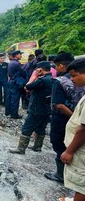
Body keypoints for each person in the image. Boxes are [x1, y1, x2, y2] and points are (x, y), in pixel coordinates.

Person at [44, 52, 83, 183]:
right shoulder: (80, 79)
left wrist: (74, 118)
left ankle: (61, 175)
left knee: (59, 144)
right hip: (78, 120)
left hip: (63, 120)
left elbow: (59, 105)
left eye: (56, 66)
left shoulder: (60, 81)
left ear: (61, 65)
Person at [9, 61, 53, 154]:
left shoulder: (42, 80)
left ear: (41, 69)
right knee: (40, 128)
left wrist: (34, 76)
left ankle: (21, 149)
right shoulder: (51, 79)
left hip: (36, 109)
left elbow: (27, 86)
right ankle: (37, 147)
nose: (35, 71)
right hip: (46, 109)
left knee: (26, 128)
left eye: (37, 70)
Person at [60, 58, 85, 201]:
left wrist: (69, 151)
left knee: (82, 185)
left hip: (80, 150)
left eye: (75, 75)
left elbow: (83, 129)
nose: (72, 79)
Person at [5, 50, 27, 119]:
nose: (21, 55)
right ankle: (14, 114)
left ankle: (8, 112)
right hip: (15, 83)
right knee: (15, 98)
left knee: (9, 97)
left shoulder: (11, 63)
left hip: (11, 81)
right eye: (20, 54)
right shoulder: (16, 63)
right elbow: (23, 72)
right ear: (16, 55)